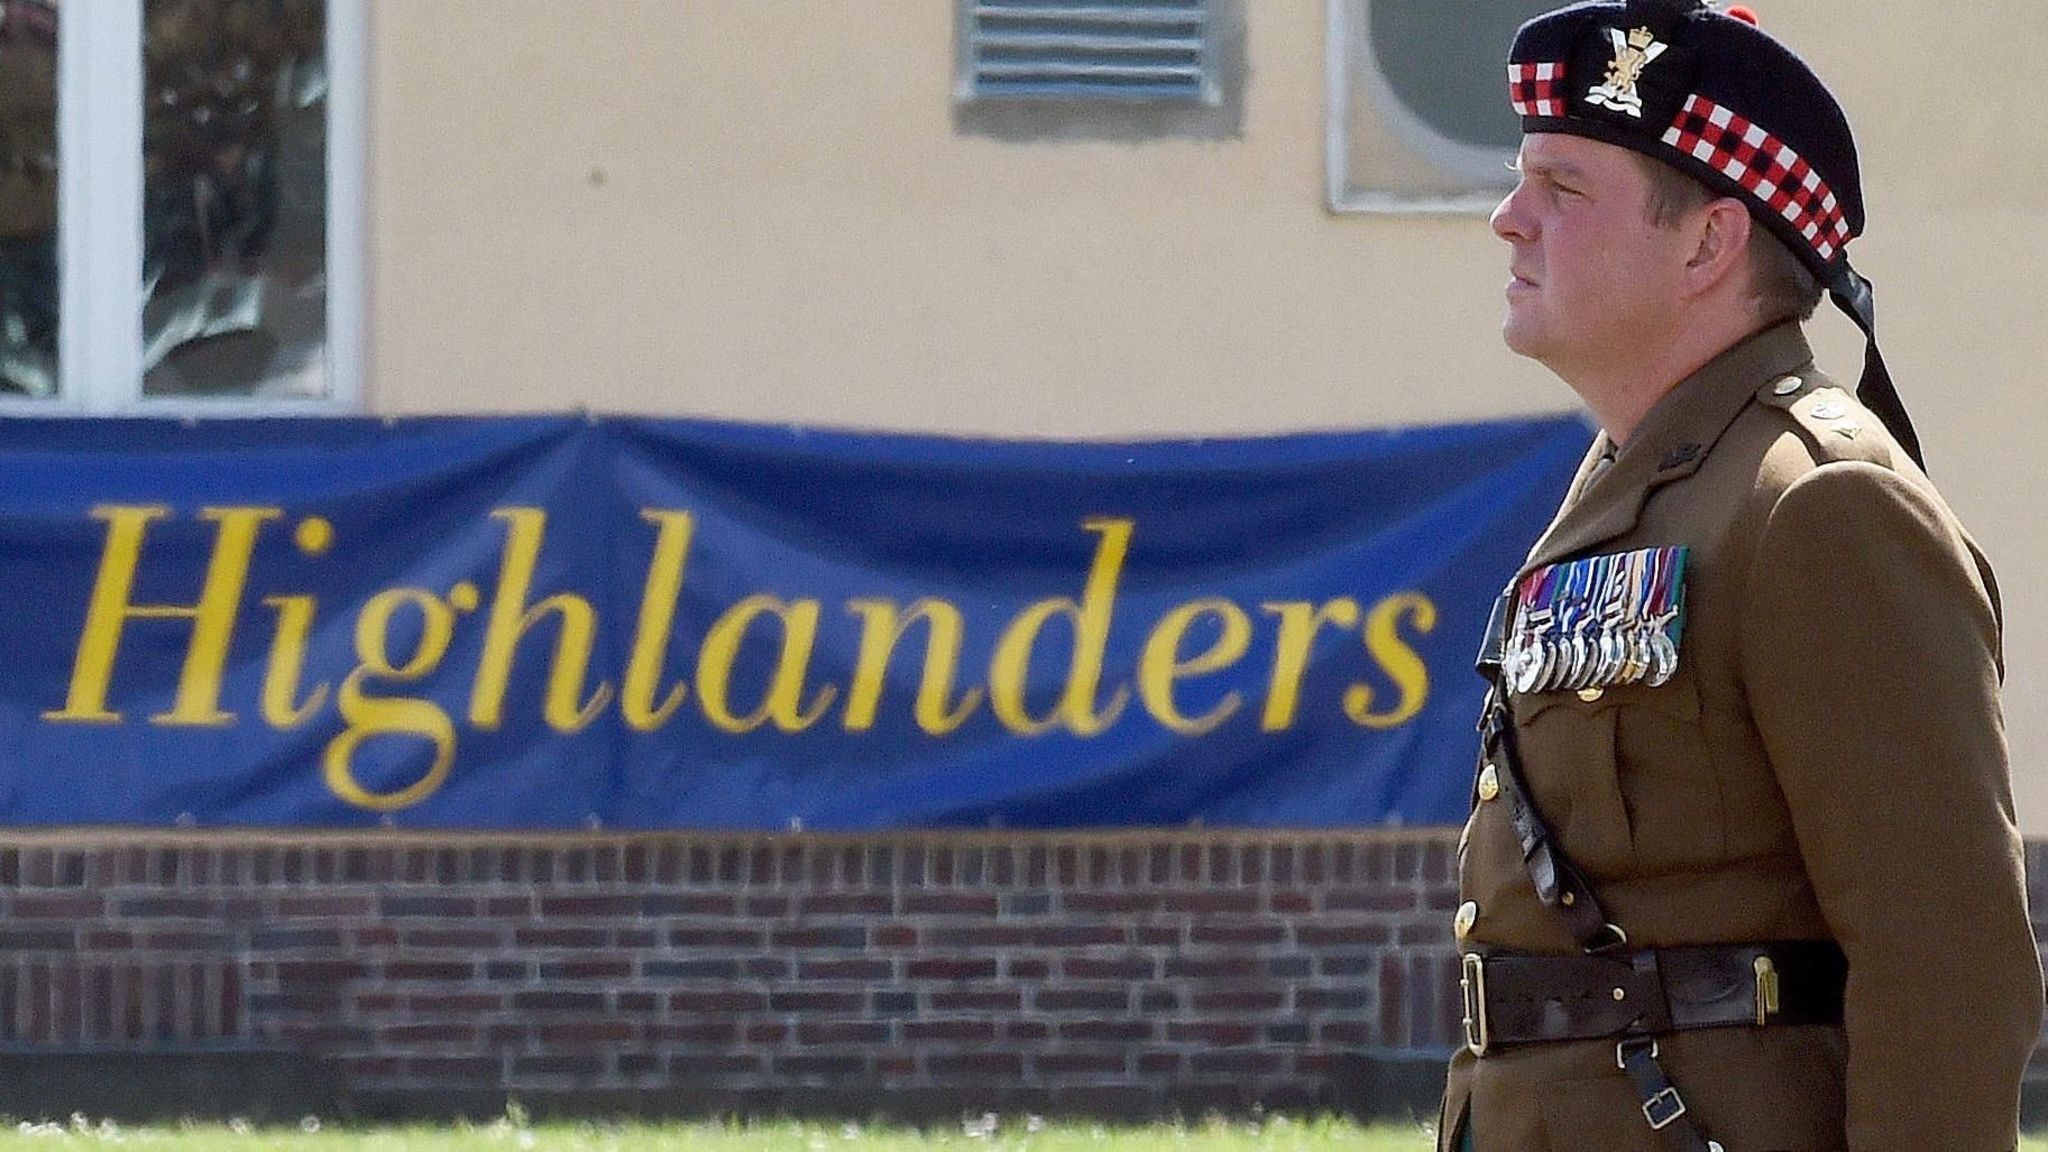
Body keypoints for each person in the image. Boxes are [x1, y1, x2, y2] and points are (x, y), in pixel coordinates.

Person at [1440, 1, 2044, 1149]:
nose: (1505, 220)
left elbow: (1946, 964)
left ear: (1709, 243)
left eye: (1561, 191)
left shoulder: (1818, 504)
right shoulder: (1641, 484)